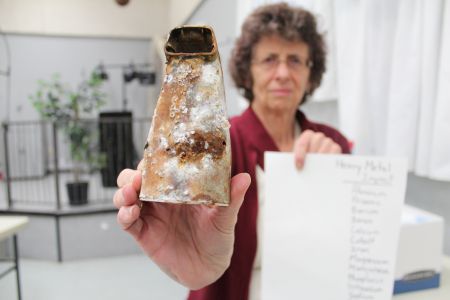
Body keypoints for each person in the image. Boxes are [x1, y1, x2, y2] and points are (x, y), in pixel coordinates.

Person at [113, 3, 351, 300]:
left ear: (310, 71)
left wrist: (341, 181)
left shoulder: (333, 144)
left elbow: (354, 238)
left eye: (295, 60)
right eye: (269, 59)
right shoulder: (216, 147)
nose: (282, 73)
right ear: (247, 69)